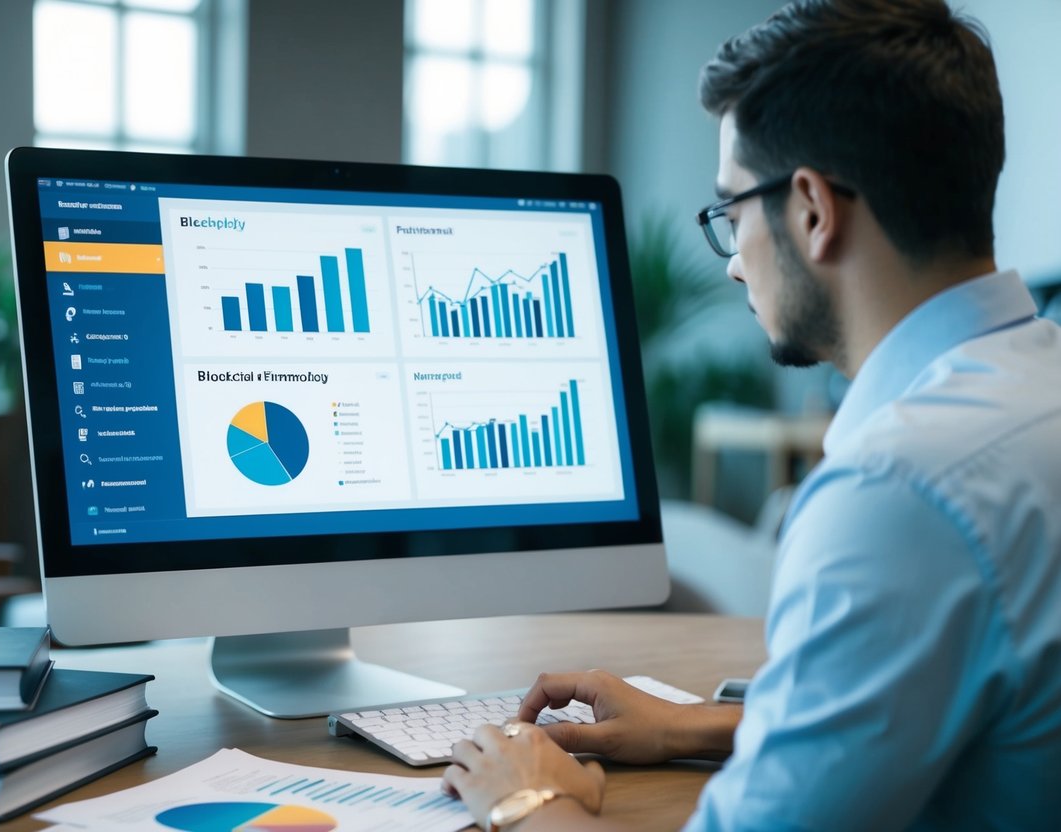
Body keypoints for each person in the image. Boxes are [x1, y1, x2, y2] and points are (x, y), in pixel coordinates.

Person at [440, 1, 1061, 829]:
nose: (733, 265)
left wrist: (526, 796)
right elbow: (963, 701)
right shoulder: (1032, 389)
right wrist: (698, 726)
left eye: (731, 214)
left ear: (810, 210)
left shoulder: (897, 490)